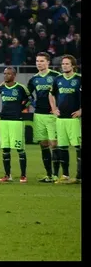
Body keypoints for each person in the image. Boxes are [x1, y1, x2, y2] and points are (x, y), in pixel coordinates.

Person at [27, 52, 62, 182]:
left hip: (52, 115)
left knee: (54, 143)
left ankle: (56, 175)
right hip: (39, 115)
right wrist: (32, 102)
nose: (39, 63)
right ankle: (48, 174)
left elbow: (62, 93)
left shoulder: (56, 76)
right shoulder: (34, 79)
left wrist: (58, 107)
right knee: (43, 144)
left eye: (42, 61)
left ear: (48, 62)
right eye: (37, 61)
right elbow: (27, 94)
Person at [49, 55, 82, 184]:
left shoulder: (79, 79)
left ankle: (79, 176)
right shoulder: (58, 79)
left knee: (78, 147)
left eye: (67, 64)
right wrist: (54, 108)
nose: (64, 66)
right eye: (63, 64)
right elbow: (51, 94)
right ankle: (66, 175)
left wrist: (81, 110)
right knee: (62, 147)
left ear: (73, 65)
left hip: (74, 119)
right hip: (61, 119)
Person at [0, 68, 31, 183]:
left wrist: (20, 109)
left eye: (9, 74)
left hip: (16, 121)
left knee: (19, 148)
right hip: (3, 120)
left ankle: (23, 175)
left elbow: (30, 99)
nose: (6, 76)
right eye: (5, 73)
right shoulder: (1, 88)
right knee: (5, 149)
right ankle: (7, 175)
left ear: (14, 75)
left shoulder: (20, 88)